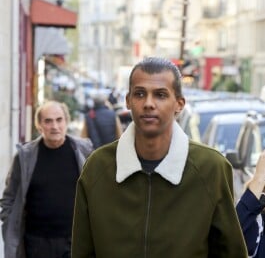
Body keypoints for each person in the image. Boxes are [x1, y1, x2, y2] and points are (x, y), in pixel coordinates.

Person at [72, 57, 247, 258]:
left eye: (160, 95)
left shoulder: (211, 168)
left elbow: (230, 252)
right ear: (128, 100)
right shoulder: (98, 168)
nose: (148, 103)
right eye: (139, 94)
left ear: (179, 104)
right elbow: (81, 251)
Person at [0, 101, 93, 258]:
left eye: (59, 119)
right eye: (48, 121)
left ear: (66, 121)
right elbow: (9, 198)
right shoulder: (25, 157)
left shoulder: (84, 152)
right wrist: (10, 225)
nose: (54, 126)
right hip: (36, 244)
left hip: (74, 242)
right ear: (39, 126)